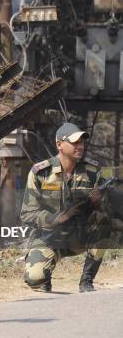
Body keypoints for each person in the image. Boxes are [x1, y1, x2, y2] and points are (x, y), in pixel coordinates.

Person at [20, 122, 110, 293]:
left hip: (79, 235)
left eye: (82, 142)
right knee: (34, 278)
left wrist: (98, 204)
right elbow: (27, 214)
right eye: (75, 142)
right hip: (49, 236)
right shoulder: (40, 172)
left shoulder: (92, 172)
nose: (80, 146)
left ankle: (86, 281)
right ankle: (45, 275)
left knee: (103, 221)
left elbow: (105, 212)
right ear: (59, 144)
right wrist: (56, 218)